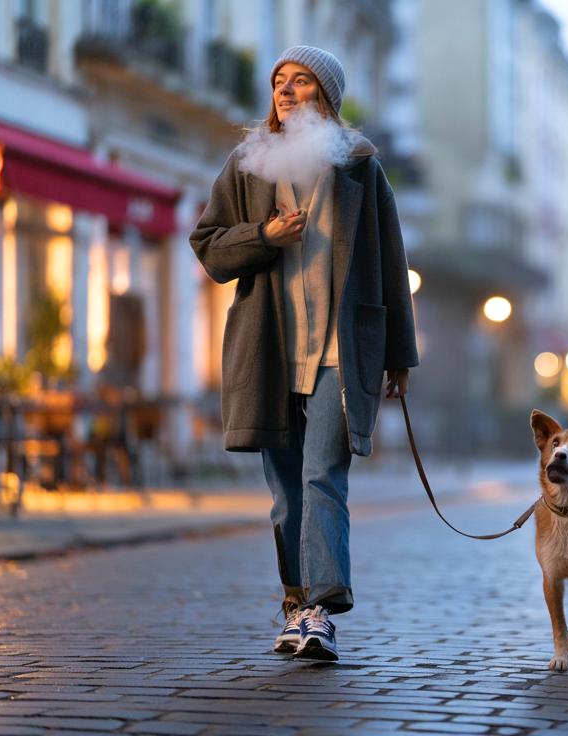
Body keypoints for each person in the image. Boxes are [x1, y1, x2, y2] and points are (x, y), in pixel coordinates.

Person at [189, 46, 418, 662]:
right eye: (279, 82)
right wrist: (264, 236)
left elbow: (392, 265)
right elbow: (208, 245)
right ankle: (295, 605)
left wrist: (399, 355)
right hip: (268, 352)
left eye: (302, 82)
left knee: (321, 476)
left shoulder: (360, 167)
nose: (286, 92)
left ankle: (320, 609)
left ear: (328, 97)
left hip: (341, 356)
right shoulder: (248, 164)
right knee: (286, 494)